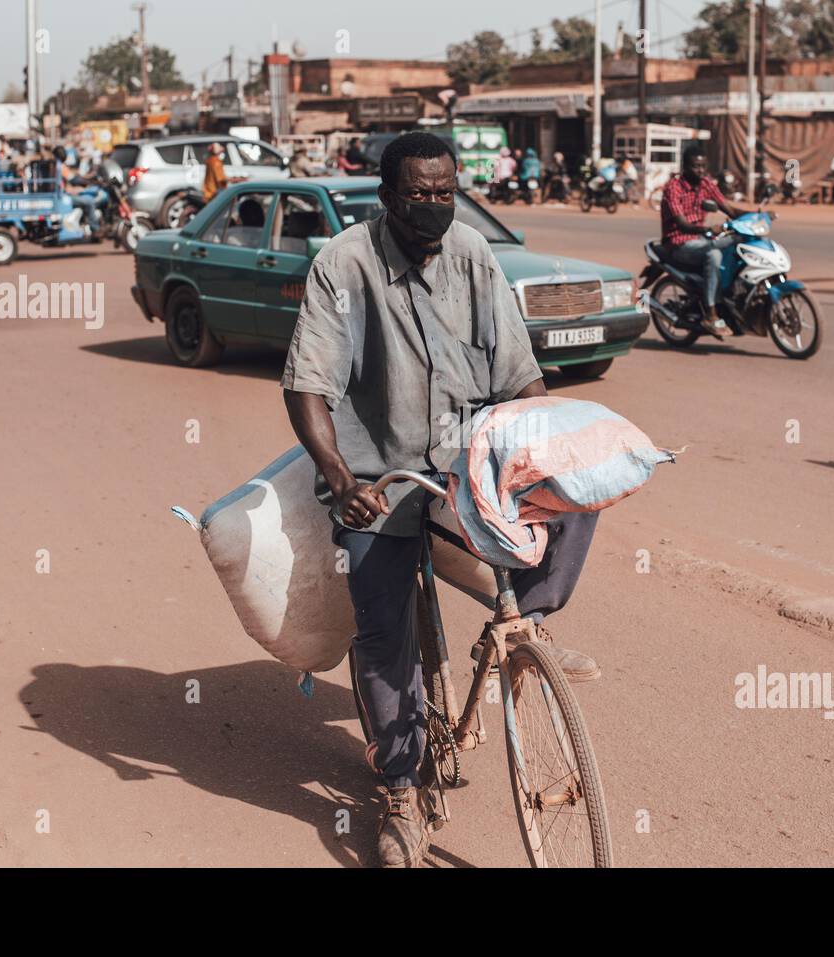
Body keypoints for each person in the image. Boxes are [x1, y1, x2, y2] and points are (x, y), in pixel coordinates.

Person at [281, 131, 600, 868]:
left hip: (465, 462)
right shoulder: (345, 265)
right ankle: (397, 786)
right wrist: (340, 478)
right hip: (379, 479)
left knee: (574, 494)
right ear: (388, 197)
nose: (434, 206)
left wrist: (539, 439)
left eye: (445, 192)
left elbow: (519, 367)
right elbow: (308, 385)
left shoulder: (472, 253)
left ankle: (530, 624)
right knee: (384, 627)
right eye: (419, 195)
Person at [660, 146, 751, 338]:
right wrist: (708, 229)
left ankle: (728, 296)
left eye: (703, 166)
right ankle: (711, 313)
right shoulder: (673, 188)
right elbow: (682, 224)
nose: (700, 170)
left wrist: (756, 216)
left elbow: (729, 209)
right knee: (714, 254)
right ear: (685, 167)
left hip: (700, 239)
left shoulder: (706, 184)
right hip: (678, 243)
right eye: (695, 166)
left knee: (737, 241)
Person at [52, 145, 98, 232]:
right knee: (90, 202)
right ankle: (95, 228)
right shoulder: (60, 166)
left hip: (61, 194)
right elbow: (74, 180)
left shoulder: (55, 165)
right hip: (63, 196)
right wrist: (89, 182)